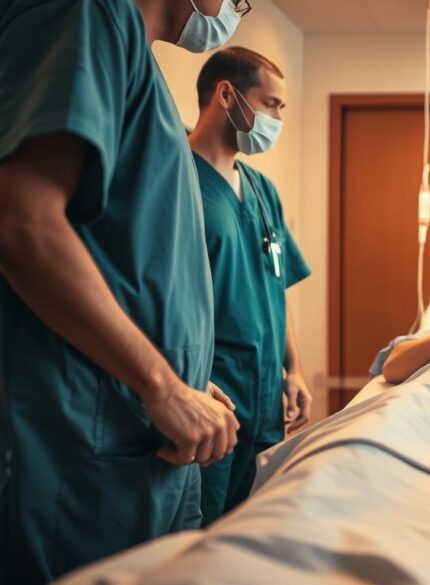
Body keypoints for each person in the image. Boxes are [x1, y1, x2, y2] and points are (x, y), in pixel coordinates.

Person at [0, 0, 250, 581]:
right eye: (239, 2)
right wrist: (160, 382)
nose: (237, 10)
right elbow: (22, 221)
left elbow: (126, 256)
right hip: (81, 444)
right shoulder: (83, 15)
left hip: (140, 437)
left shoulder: (142, 70)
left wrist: (184, 376)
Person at [187, 47, 311, 525]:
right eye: (271, 104)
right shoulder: (179, 179)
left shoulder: (262, 190)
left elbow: (276, 285)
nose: (278, 117)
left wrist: (294, 370)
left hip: (264, 399)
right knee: (202, 531)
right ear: (226, 95)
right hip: (210, 394)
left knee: (252, 528)